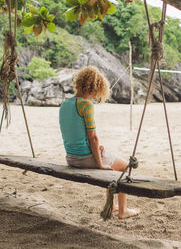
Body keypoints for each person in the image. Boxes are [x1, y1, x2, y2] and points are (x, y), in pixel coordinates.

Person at [59, 66, 138, 219]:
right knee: (124, 169)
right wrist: (100, 163)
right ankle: (123, 211)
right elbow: (93, 137)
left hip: (71, 158)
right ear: (96, 87)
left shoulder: (64, 105)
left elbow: (74, 134)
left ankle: (111, 205)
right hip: (85, 159)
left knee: (109, 159)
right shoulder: (86, 105)